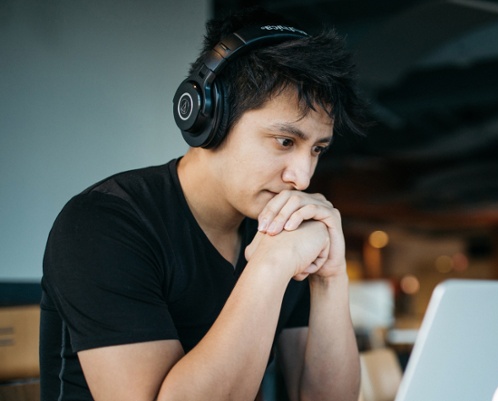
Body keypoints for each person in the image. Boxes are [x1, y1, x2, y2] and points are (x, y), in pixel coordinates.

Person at [39, 7, 369, 401]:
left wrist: (330, 279)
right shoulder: (103, 225)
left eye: (317, 149)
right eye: (285, 141)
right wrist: (269, 266)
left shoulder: (285, 229)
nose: (302, 177)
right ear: (210, 117)